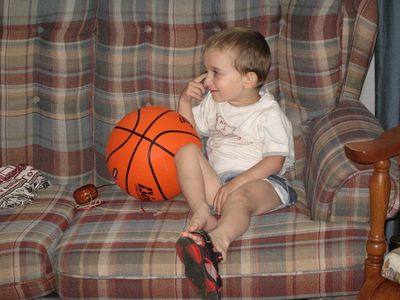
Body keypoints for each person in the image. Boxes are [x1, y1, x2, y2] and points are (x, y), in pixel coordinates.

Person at [175, 27, 296, 299]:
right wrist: (184, 100)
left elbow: (275, 161)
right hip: (218, 185)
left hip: (261, 182)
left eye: (216, 72)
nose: (207, 81)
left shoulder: (268, 113)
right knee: (185, 150)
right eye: (207, 71)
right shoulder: (214, 102)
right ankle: (202, 212)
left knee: (238, 195)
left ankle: (218, 242)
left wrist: (238, 182)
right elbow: (188, 133)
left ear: (248, 79)